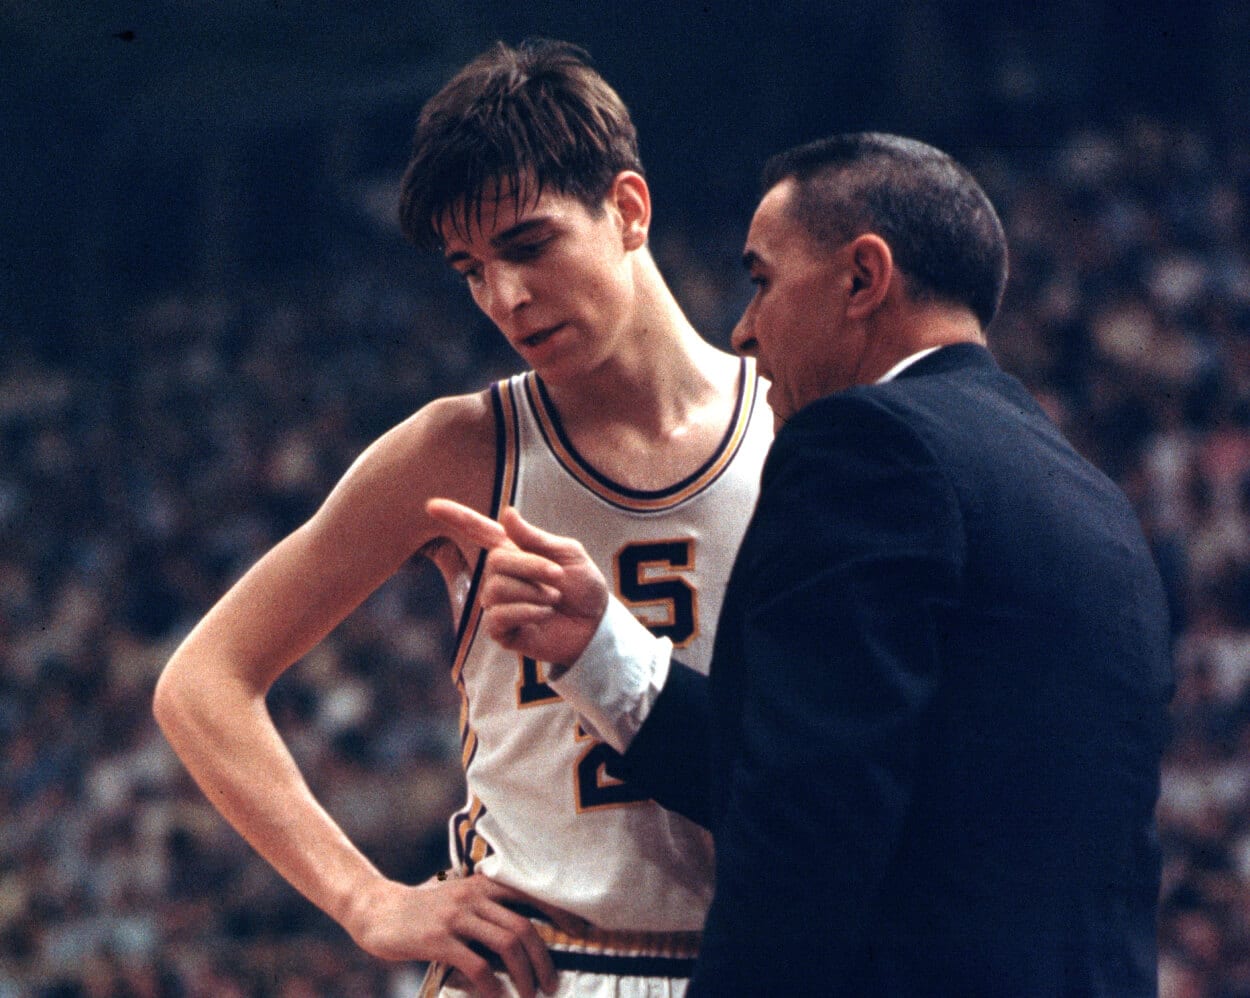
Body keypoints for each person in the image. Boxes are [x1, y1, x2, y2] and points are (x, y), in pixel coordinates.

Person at [428, 132, 1176, 995]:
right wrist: (601, 648)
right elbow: (864, 764)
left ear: (863, 278)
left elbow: (805, 819)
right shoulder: (1090, 496)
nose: (745, 328)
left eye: (762, 279)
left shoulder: (865, 444)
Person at [152, 39, 774, 998]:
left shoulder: (795, 426)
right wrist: (367, 901)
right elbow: (201, 681)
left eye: (528, 245)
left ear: (628, 209)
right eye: (470, 270)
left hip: (753, 961)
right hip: (538, 966)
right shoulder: (459, 449)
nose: (506, 298)